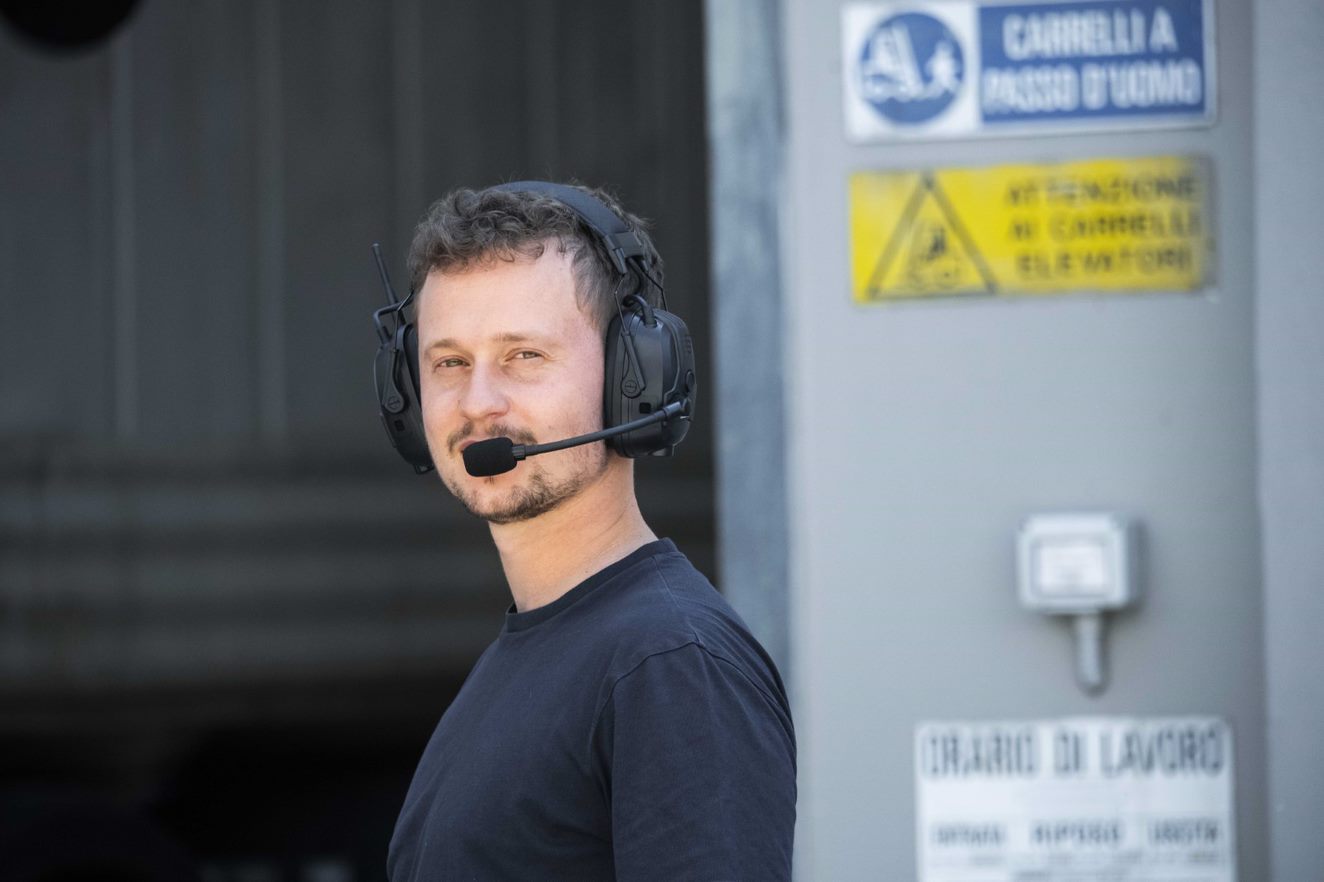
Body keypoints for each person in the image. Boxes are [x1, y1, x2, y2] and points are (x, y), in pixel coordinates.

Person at [384, 182, 796, 881]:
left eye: (524, 356)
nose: (478, 404)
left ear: (633, 379)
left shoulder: (670, 666)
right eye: (450, 363)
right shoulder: (532, 659)